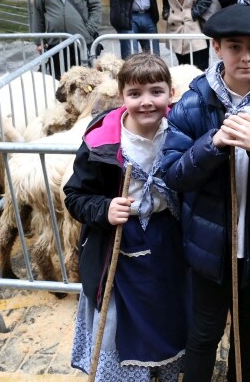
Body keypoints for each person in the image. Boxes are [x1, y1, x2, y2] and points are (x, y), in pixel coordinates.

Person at [161, 4, 250, 382]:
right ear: (216, 47)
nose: (246, 56)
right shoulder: (192, 104)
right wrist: (211, 144)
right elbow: (174, 174)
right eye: (235, 46)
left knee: (247, 326)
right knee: (205, 329)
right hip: (208, 244)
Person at [64, 52, 187, 381]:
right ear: (121, 97)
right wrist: (104, 209)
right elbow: (75, 196)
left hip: (169, 243)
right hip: (118, 250)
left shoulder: (181, 131)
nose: (146, 102)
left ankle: (164, 372)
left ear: (170, 93)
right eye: (135, 94)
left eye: (155, 92)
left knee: (168, 314)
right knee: (122, 327)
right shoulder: (101, 143)